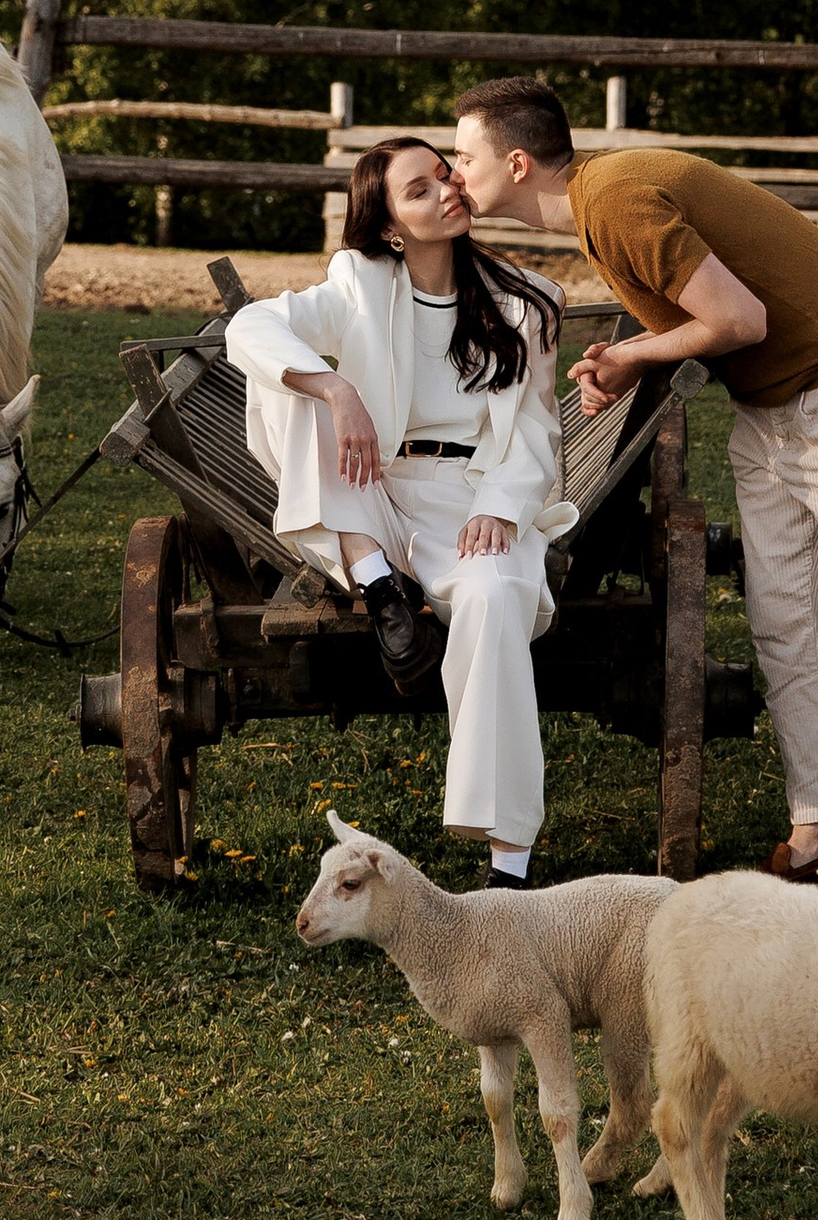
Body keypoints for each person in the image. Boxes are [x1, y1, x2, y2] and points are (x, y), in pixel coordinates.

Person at [448, 80, 818, 900]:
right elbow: (712, 316)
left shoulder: (616, 200)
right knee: (788, 620)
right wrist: (638, 351)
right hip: (772, 405)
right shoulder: (601, 203)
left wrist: (634, 356)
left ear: (517, 162)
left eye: (464, 156)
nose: (455, 172)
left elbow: (740, 321)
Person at [229, 139, 573, 888]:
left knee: (495, 595)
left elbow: (541, 430)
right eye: (419, 191)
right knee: (299, 380)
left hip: (472, 494)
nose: (447, 190)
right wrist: (337, 390)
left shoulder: (526, 300)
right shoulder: (356, 281)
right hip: (370, 493)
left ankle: (508, 862)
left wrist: (503, 508)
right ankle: (379, 583)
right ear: (389, 226)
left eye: (445, 174)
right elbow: (247, 328)